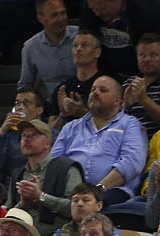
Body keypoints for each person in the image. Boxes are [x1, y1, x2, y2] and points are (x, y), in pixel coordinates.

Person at [49, 75, 147, 203]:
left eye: (103, 90)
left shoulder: (130, 125)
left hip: (111, 191)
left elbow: (131, 163)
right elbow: (55, 162)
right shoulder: (71, 127)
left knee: (89, 204)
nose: (95, 92)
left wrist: (98, 189)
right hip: (70, 192)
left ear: (117, 101)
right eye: (93, 89)